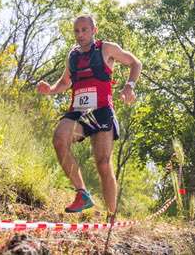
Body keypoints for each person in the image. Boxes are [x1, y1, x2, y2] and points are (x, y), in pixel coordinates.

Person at [36, 14, 142, 216]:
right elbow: (65, 82)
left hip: (101, 111)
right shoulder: (72, 55)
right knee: (59, 139)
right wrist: (50, 89)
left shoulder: (106, 48)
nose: (80, 34)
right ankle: (82, 193)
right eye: (77, 31)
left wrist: (129, 86)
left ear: (94, 30)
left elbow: (135, 63)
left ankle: (112, 216)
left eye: (85, 30)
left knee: (103, 163)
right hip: (78, 112)